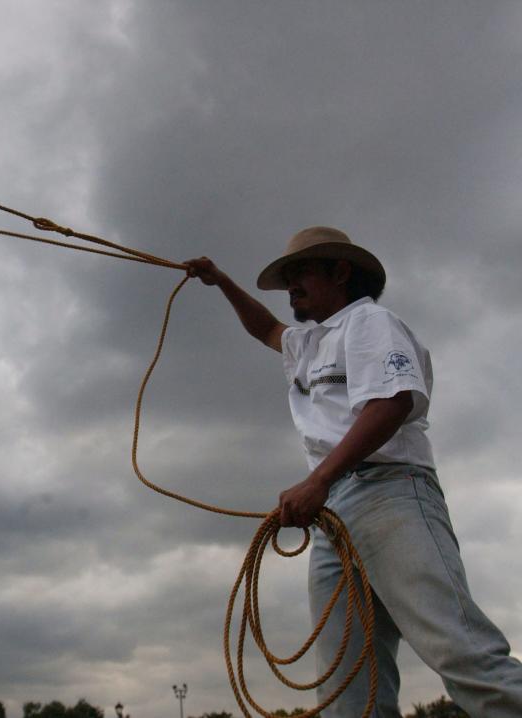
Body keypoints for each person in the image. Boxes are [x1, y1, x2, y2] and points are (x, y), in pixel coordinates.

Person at [184, 227, 522, 717]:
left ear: (340, 272)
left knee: (459, 650)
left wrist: (318, 479)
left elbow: (392, 402)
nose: (290, 286)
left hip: (389, 493)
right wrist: (221, 282)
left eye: (300, 272)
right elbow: (265, 330)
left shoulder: (369, 322)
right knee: (349, 690)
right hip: (334, 515)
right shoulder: (309, 342)